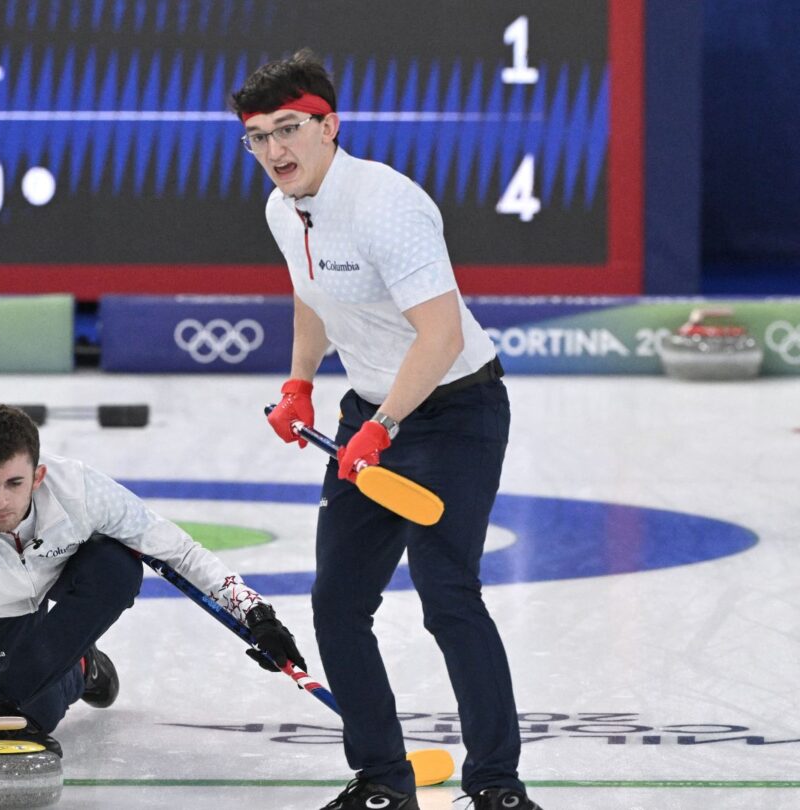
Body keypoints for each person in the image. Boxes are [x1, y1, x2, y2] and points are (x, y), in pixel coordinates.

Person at [231, 51, 540, 810]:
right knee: (337, 602)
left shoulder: (387, 205)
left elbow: (436, 337)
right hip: (369, 410)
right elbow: (311, 297)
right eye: (258, 135)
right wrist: (301, 382)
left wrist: (385, 424)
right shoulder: (282, 208)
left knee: (446, 592)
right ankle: (381, 781)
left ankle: (497, 786)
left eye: (290, 128)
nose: (275, 149)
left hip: (457, 410)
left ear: (330, 126)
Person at [0, 403, 308, 755]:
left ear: (39, 474)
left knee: (117, 566)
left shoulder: (80, 489)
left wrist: (254, 611)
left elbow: (176, 549)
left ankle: (40, 671)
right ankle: (83, 668)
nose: (1, 502)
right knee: (36, 714)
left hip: (64, 575)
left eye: (15, 483)